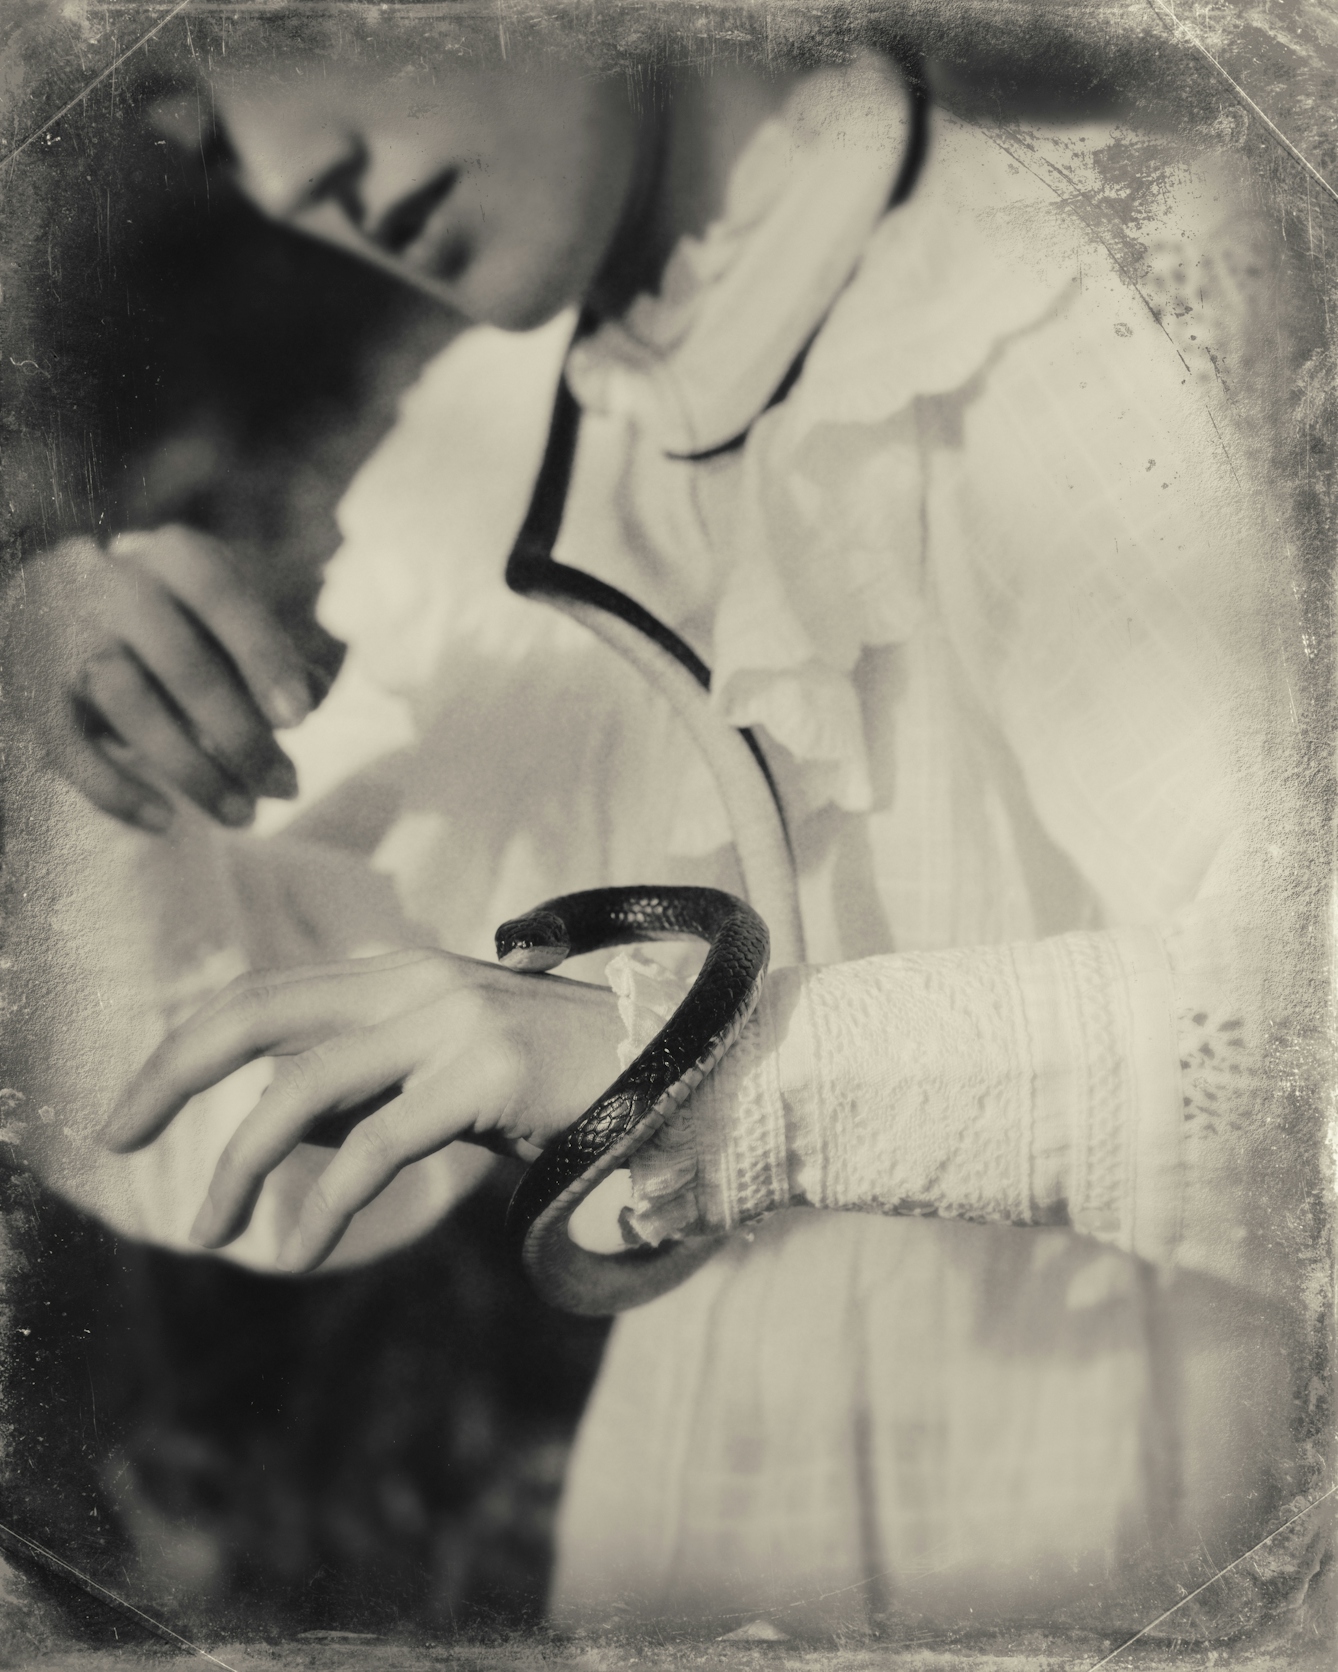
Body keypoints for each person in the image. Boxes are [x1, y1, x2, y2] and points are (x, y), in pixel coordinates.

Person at [0, 22, 1326, 1642]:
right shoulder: (483, 455)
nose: (292, 176)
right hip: (718, 1518)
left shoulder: (1110, 283)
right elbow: (242, 1138)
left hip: (1135, 1499)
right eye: (207, 124)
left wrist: (690, 1079)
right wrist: (87, 760)